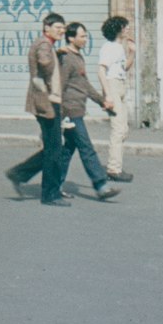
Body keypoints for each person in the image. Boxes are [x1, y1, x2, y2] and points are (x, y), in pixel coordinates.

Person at [6, 11, 68, 207]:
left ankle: (19, 173)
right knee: (54, 150)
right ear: (47, 28)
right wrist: (50, 60)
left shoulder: (47, 45)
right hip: (46, 103)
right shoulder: (43, 45)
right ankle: (50, 194)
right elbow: (43, 61)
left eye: (63, 28)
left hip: (47, 101)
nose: (61, 31)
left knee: (53, 148)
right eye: (57, 28)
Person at [57, 22, 120, 202]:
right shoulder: (66, 59)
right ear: (71, 38)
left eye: (85, 36)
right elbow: (59, 87)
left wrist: (102, 100)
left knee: (67, 151)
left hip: (77, 109)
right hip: (70, 112)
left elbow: (84, 85)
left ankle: (55, 184)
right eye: (82, 36)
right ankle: (101, 186)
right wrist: (61, 115)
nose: (85, 39)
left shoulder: (78, 57)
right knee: (87, 148)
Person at [98, 15, 134, 183]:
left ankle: (115, 166)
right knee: (118, 129)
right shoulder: (109, 47)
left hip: (120, 86)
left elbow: (124, 67)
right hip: (113, 87)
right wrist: (107, 94)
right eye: (125, 26)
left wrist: (132, 53)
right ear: (118, 29)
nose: (127, 29)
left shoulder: (119, 47)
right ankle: (113, 169)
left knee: (123, 129)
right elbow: (101, 70)